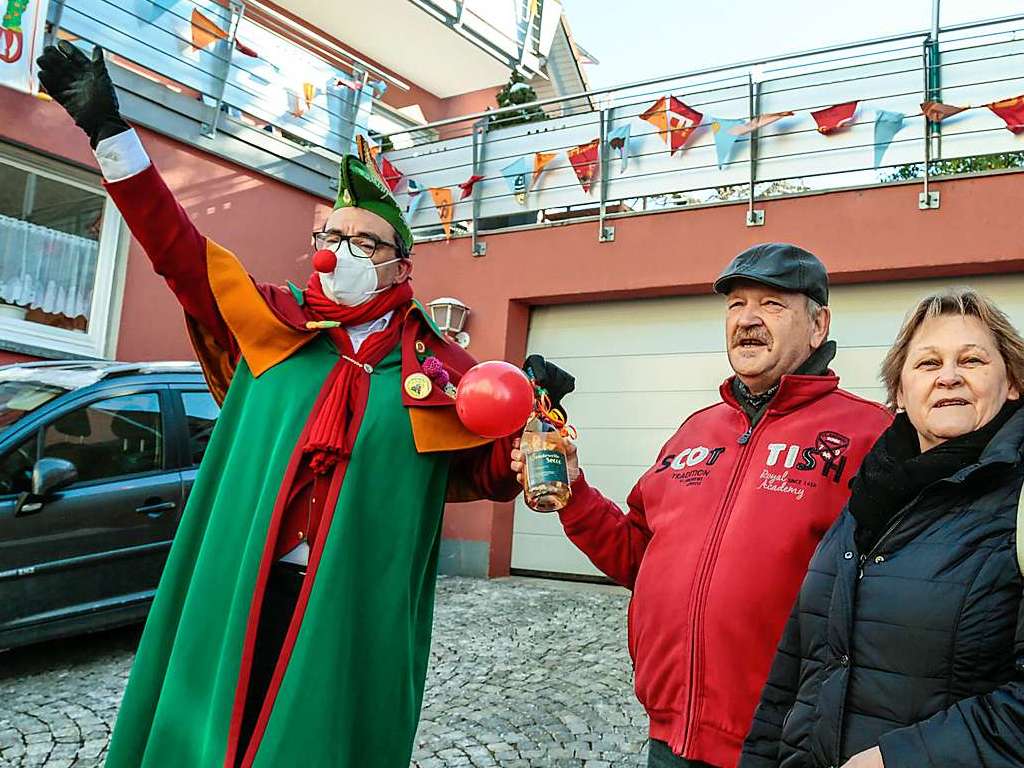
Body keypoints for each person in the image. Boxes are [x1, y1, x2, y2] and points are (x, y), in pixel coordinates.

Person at [35, 42, 573, 768]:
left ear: (400, 265)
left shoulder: (444, 371)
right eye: (330, 235)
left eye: (363, 240)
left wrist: (527, 425)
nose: (338, 250)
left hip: (347, 607)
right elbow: (174, 247)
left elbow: (477, 476)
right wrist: (109, 135)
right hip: (238, 584)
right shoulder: (268, 325)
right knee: (211, 733)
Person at [514, 243, 893, 767]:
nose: (748, 320)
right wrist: (573, 490)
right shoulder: (697, 429)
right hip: (670, 737)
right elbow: (636, 557)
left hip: (784, 743)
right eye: (736, 305)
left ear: (817, 324)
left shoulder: (870, 434)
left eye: (773, 304)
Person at [740, 288, 1024, 768]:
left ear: (1013, 383)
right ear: (899, 391)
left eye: (972, 360)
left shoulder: (1016, 501)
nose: (948, 377)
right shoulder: (868, 497)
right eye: (928, 364)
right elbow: (795, 674)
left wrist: (897, 759)